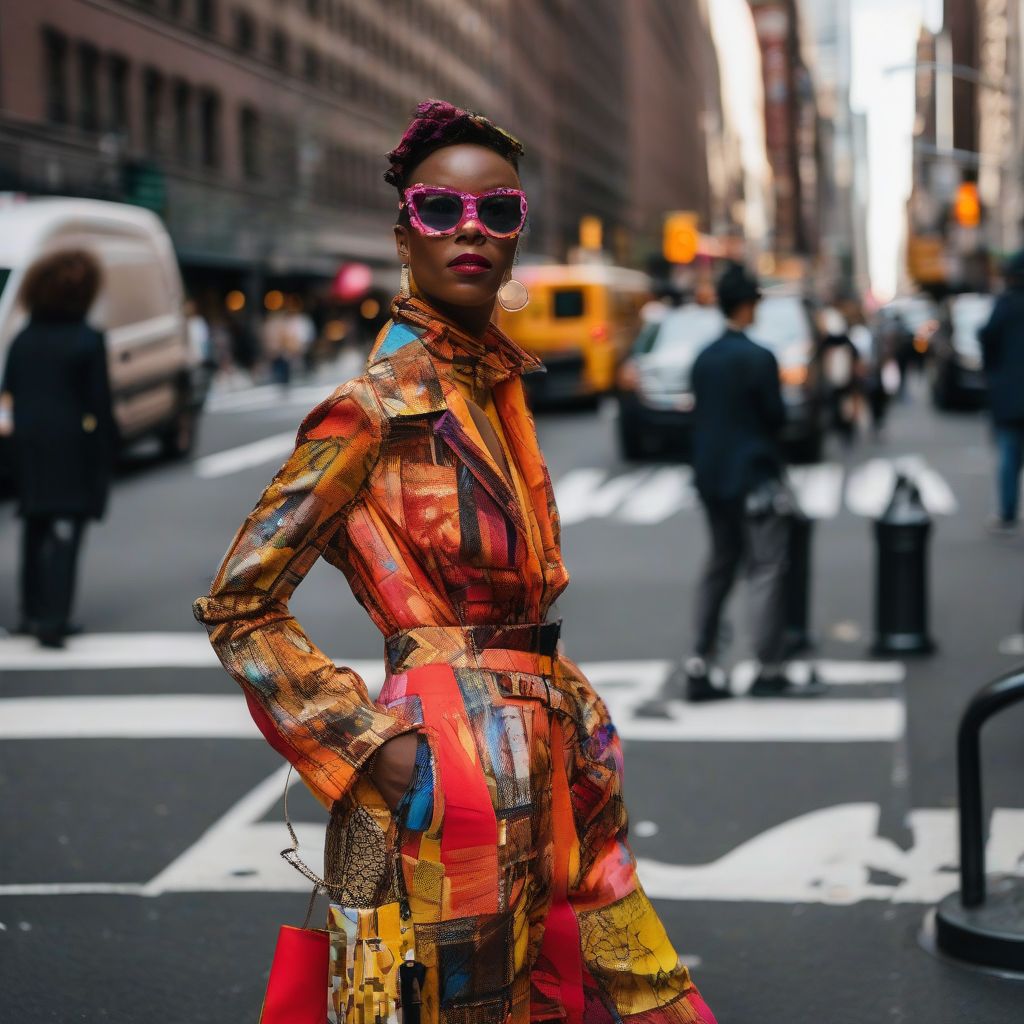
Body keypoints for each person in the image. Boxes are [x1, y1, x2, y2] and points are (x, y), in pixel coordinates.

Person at [194, 100, 716, 1023]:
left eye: (498, 213)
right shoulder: (374, 408)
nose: (471, 231)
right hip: (441, 793)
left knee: (639, 993)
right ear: (405, 235)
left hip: (556, 763)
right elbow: (241, 601)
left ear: (517, 237)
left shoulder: (495, 386)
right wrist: (371, 745)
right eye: (441, 211)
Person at [683, 264, 805, 700]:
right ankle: (767, 667)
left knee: (720, 565)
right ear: (748, 304)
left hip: (713, 480)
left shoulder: (704, 358)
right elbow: (776, 417)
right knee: (767, 568)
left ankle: (699, 661)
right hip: (755, 478)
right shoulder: (759, 358)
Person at [0, 249, 117, 648]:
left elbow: (8, 392)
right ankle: (54, 618)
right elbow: (99, 406)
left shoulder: (23, 338)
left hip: (27, 444)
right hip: (72, 447)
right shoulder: (88, 340)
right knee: (66, 532)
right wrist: (105, 454)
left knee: (34, 526)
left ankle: (31, 613)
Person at [978, 250, 1024, 533]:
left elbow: (986, 338)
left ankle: (1008, 512)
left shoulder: (1005, 305)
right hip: (1009, 391)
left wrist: (993, 373)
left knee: (1009, 453)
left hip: (1009, 395)